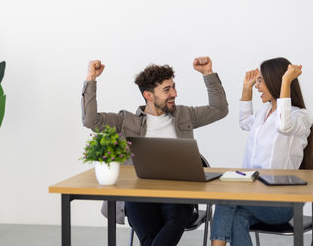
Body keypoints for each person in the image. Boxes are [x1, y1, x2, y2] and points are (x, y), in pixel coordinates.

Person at [81, 56, 229, 246]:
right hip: (140, 195)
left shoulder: (185, 114)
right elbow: (90, 121)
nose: (174, 93)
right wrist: (91, 78)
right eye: (167, 90)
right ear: (149, 96)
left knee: (166, 227)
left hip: (179, 195)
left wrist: (208, 73)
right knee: (149, 233)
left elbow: (219, 109)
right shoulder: (126, 121)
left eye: (174, 87)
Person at [210, 57, 313, 246]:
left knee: (225, 199)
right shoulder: (265, 111)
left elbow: (284, 125)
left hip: (281, 202)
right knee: (236, 218)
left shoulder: (300, 117)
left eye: (260, 81)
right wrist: (246, 88)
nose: (257, 86)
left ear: (275, 82)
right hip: (254, 196)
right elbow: (244, 122)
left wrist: (286, 81)